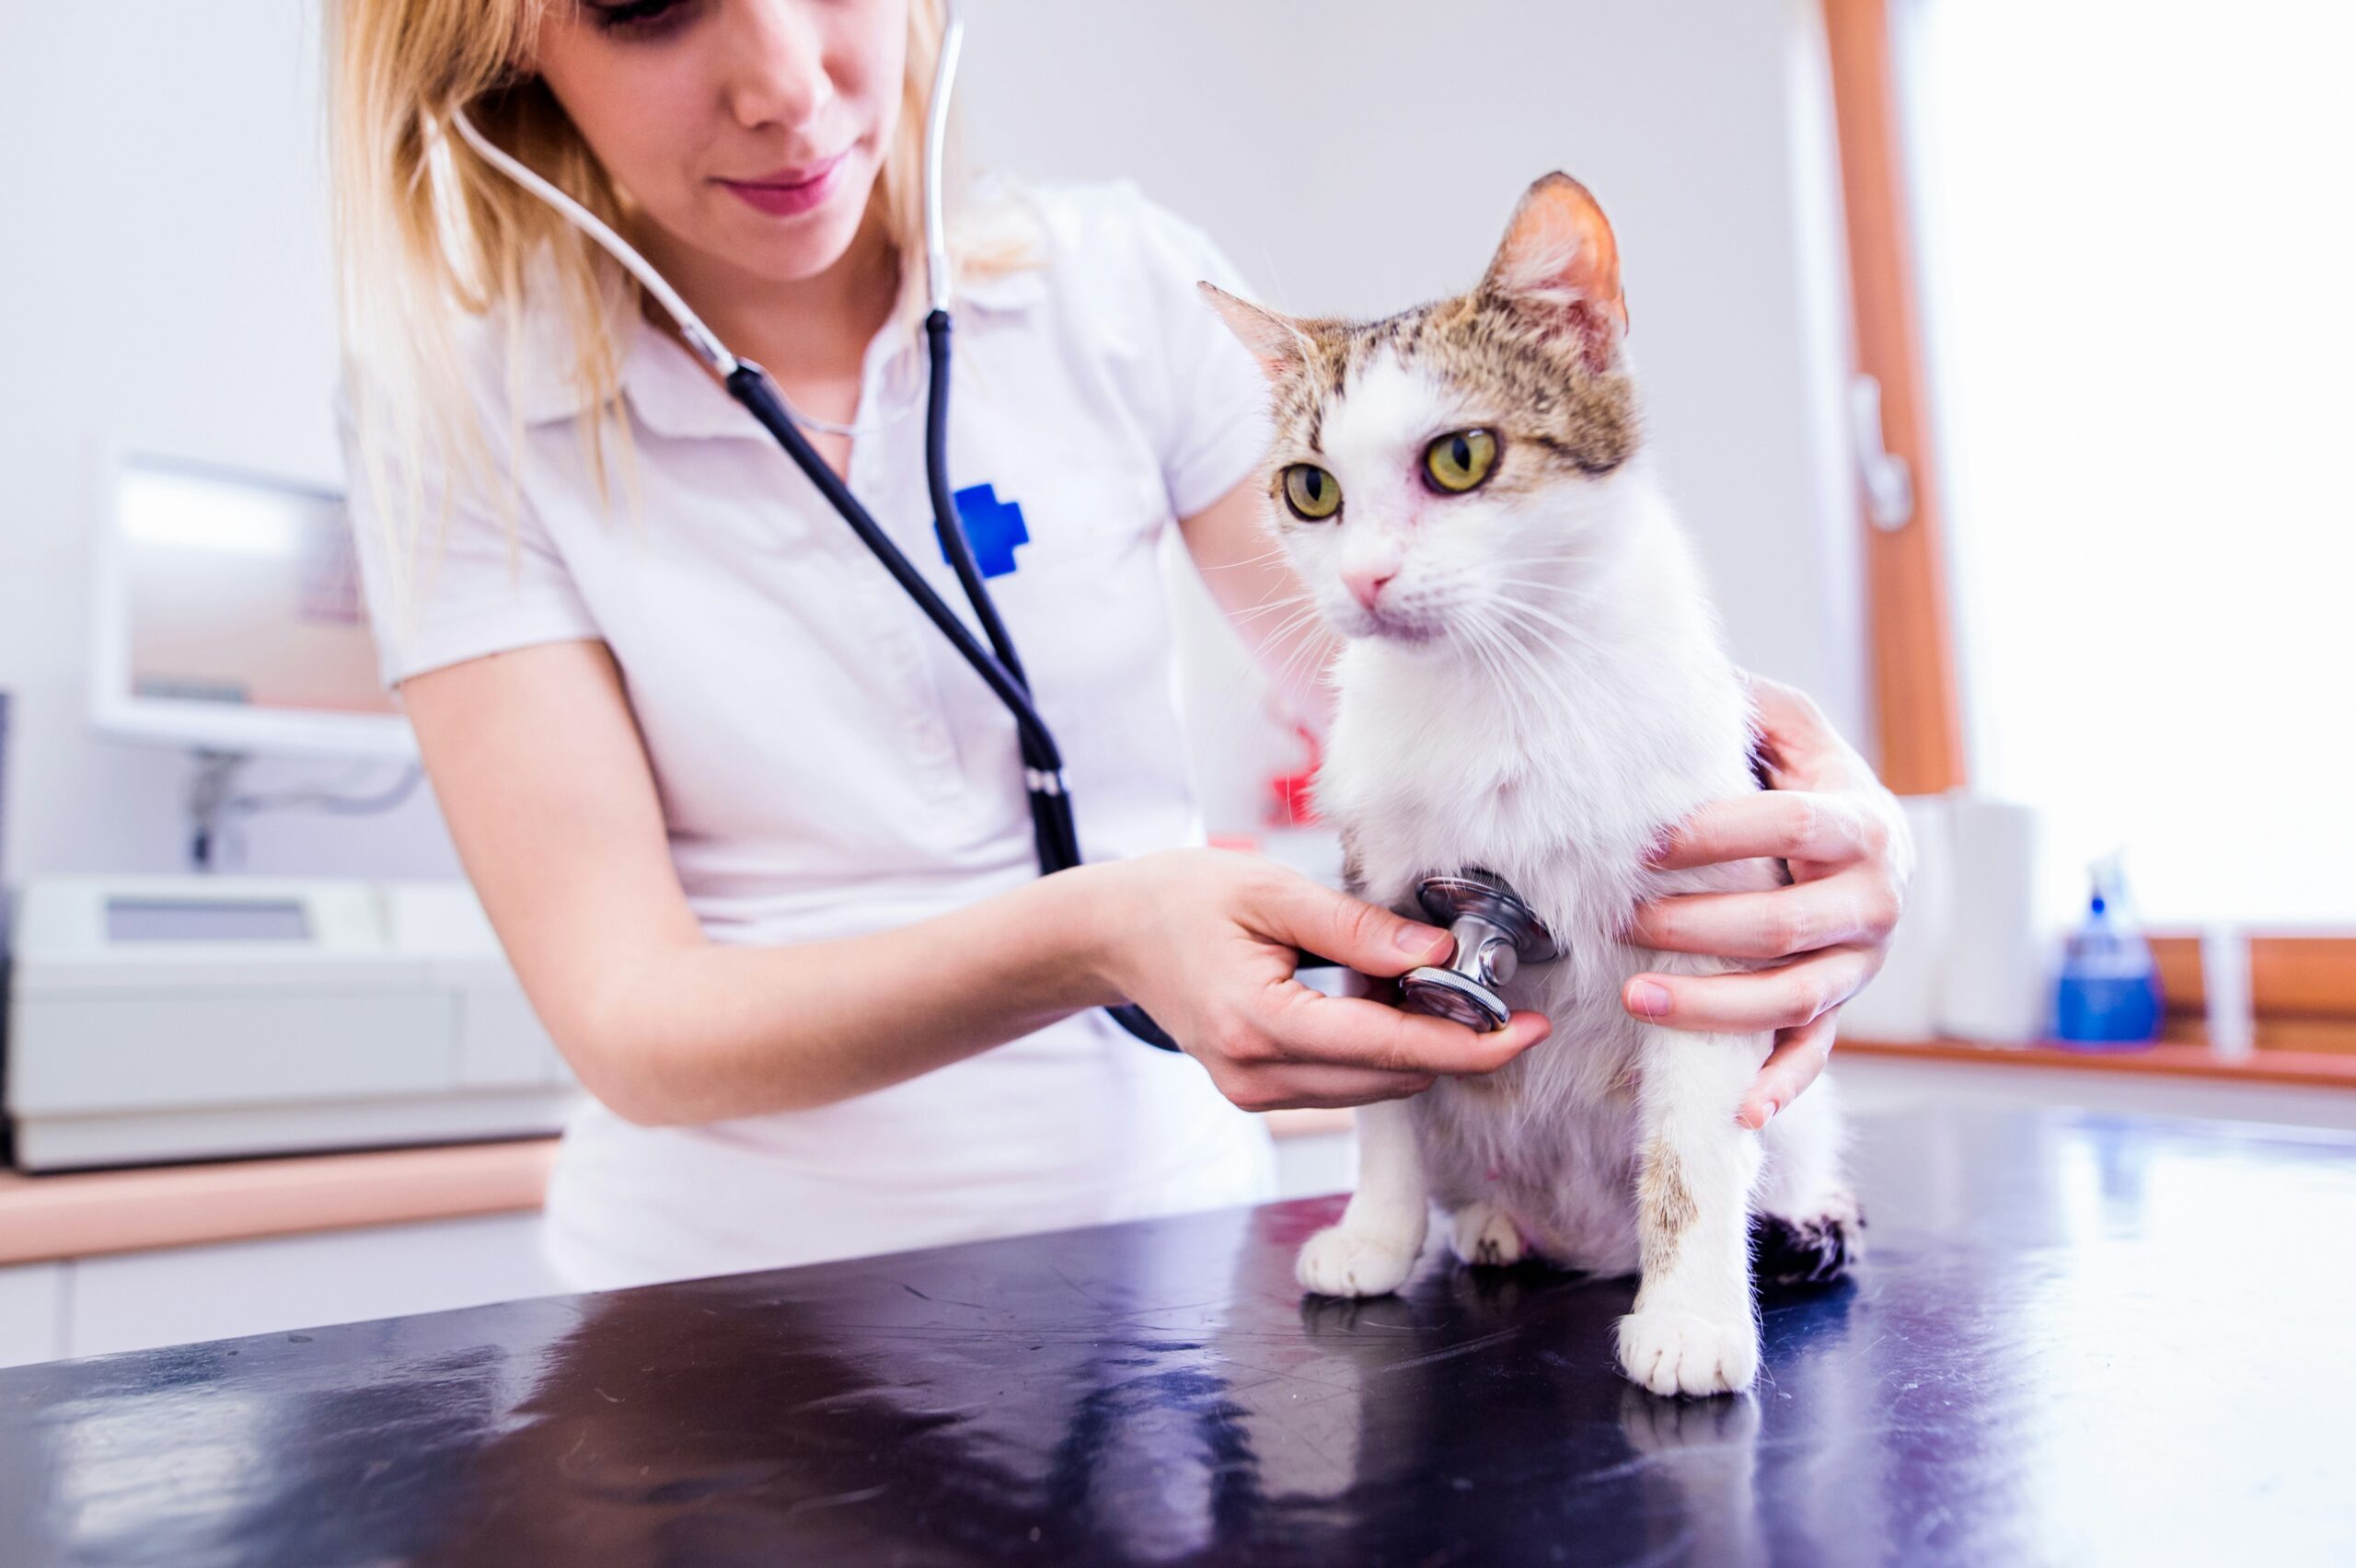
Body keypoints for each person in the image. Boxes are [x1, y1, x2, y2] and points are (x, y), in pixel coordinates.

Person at [329, 0, 1911, 1290]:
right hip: (725, 1318)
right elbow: (635, 1024)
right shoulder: (461, 414)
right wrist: (1093, 935)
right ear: (502, 44)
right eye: (647, 9)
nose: (789, 87)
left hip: (1163, 1274)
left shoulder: (1119, 291)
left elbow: (1426, 660)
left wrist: (1783, 796)